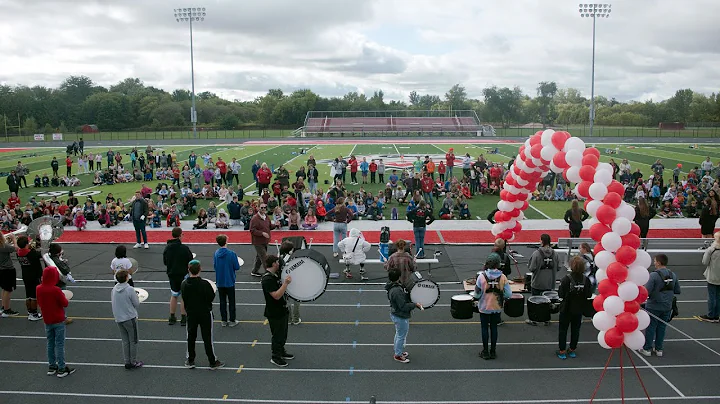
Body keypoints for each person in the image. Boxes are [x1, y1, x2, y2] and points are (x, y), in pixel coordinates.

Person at [182, 260, 224, 370]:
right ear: (200, 269)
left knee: (190, 336)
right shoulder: (205, 284)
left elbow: (184, 299)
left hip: (191, 313)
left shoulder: (184, 284)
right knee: (207, 337)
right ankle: (212, 361)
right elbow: (211, 297)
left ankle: (190, 360)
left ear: (188, 269)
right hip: (205, 313)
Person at [639, 254, 681, 357]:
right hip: (667, 306)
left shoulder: (653, 275)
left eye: (654, 261)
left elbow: (646, 292)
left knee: (651, 327)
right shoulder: (673, 275)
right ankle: (659, 349)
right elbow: (677, 290)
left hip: (654, 306)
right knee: (662, 327)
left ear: (658, 262)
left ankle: (647, 348)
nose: (654, 263)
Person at [36, 266, 75, 377]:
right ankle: (62, 368)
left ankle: (52, 366)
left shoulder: (39, 288)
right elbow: (64, 303)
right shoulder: (56, 290)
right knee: (59, 344)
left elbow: (39, 302)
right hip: (58, 319)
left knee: (50, 343)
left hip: (47, 319)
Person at [474, 253, 511, 360]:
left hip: (484, 308)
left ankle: (485, 351)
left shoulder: (481, 277)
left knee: (484, 328)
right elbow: (508, 294)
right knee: (494, 328)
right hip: (497, 307)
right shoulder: (503, 277)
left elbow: (476, 294)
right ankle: (493, 351)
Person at [556, 256, 593, 359]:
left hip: (566, 309)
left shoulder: (566, 279)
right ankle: (572, 349)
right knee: (575, 330)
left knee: (563, 330)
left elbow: (561, 294)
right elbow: (589, 294)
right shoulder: (586, 280)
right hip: (579, 309)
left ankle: (562, 350)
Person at [262, 255, 294, 367]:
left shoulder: (275, 275)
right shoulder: (267, 279)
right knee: (277, 335)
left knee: (283, 334)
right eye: (277, 262)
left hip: (282, 309)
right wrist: (285, 284)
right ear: (274, 264)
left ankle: (281, 351)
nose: (279, 264)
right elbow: (276, 295)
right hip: (274, 312)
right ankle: (275, 356)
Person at [385, 267, 422, 363]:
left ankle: (399, 351)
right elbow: (403, 306)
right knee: (401, 336)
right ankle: (398, 355)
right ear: (398, 277)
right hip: (400, 315)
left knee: (399, 334)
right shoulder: (396, 291)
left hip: (396, 313)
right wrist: (415, 305)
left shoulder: (392, 286)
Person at [111, 270, 143, 370]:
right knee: (133, 340)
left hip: (119, 318)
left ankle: (127, 361)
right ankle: (133, 361)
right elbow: (136, 304)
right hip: (129, 317)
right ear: (126, 278)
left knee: (125, 340)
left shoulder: (114, 289)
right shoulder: (129, 289)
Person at [163, 227, 194, 326]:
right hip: (183, 274)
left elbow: (165, 262)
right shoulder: (184, 248)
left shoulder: (167, 248)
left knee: (174, 295)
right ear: (180, 235)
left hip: (172, 274)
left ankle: (172, 316)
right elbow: (190, 261)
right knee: (184, 297)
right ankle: (183, 317)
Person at [526, 234, 558, 325]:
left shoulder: (536, 253)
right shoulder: (555, 253)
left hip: (537, 282)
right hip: (549, 282)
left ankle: (534, 320)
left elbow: (531, 268)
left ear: (542, 241)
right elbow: (559, 266)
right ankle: (546, 320)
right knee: (547, 302)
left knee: (534, 301)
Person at [213, 234, 240, 327]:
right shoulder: (231, 253)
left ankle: (223, 320)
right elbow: (237, 267)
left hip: (220, 280)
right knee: (231, 301)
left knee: (222, 301)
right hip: (229, 280)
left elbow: (215, 266)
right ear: (226, 242)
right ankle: (232, 319)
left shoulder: (216, 253)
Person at [16, 235, 43, 321]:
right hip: (34, 275)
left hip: (25, 275)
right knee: (34, 295)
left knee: (28, 295)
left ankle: (29, 311)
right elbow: (41, 254)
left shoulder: (18, 253)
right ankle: (34, 314)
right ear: (26, 244)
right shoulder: (31, 253)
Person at [698, 232, 720, 323]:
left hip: (712, 276)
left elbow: (705, 262)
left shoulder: (712, 250)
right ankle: (717, 315)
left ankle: (711, 315)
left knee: (712, 296)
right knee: (718, 297)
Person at [250, 203, 276, 277]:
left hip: (265, 241)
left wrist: (276, 225)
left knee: (259, 257)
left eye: (265, 207)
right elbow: (252, 230)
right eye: (262, 207)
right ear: (258, 208)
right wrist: (262, 233)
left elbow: (270, 226)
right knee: (264, 258)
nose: (264, 209)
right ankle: (268, 274)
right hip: (258, 242)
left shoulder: (266, 216)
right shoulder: (255, 218)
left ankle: (254, 271)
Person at [0, 233, 18, 317]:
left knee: (4, 289)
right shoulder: (3, 246)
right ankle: (7, 310)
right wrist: (14, 239)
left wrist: (8, 241)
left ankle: (4, 307)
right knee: (8, 290)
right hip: (7, 270)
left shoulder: (3, 246)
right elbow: (16, 249)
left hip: (2, 270)